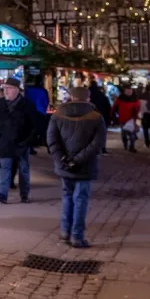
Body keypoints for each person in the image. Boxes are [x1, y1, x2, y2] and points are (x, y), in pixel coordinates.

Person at [47, 87, 106, 249]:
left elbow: (52, 141)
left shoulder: (58, 115)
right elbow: (97, 144)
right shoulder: (96, 117)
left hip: (64, 165)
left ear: (71, 97)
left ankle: (65, 231)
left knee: (67, 196)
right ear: (88, 98)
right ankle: (77, 237)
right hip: (85, 166)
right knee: (80, 199)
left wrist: (62, 160)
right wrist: (78, 160)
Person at [0, 77, 42, 204]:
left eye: (9, 89)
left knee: (23, 170)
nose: (5, 91)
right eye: (4, 88)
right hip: (5, 142)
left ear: (17, 90)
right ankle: (3, 194)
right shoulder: (0, 103)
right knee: (5, 168)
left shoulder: (27, 105)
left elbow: (34, 126)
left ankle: (24, 195)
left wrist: (28, 141)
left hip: (21, 143)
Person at [112, 85, 142, 153]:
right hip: (123, 118)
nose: (129, 92)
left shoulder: (135, 99)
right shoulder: (120, 99)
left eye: (130, 91)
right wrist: (112, 115)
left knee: (131, 134)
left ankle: (132, 147)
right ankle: (125, 144)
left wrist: (137, 117)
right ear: (125, 91)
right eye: (127, 91)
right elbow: (114, 107)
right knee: (124, 133)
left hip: (131, 119)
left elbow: (138, 108)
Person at [88, 81, 112, 154]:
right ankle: (103, 148)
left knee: (91, 133)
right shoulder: (103, 96)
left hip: (90, 117)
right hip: (102, 116)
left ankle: (92, 148)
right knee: (102, 133)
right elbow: (108, 107)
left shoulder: (88, 97)